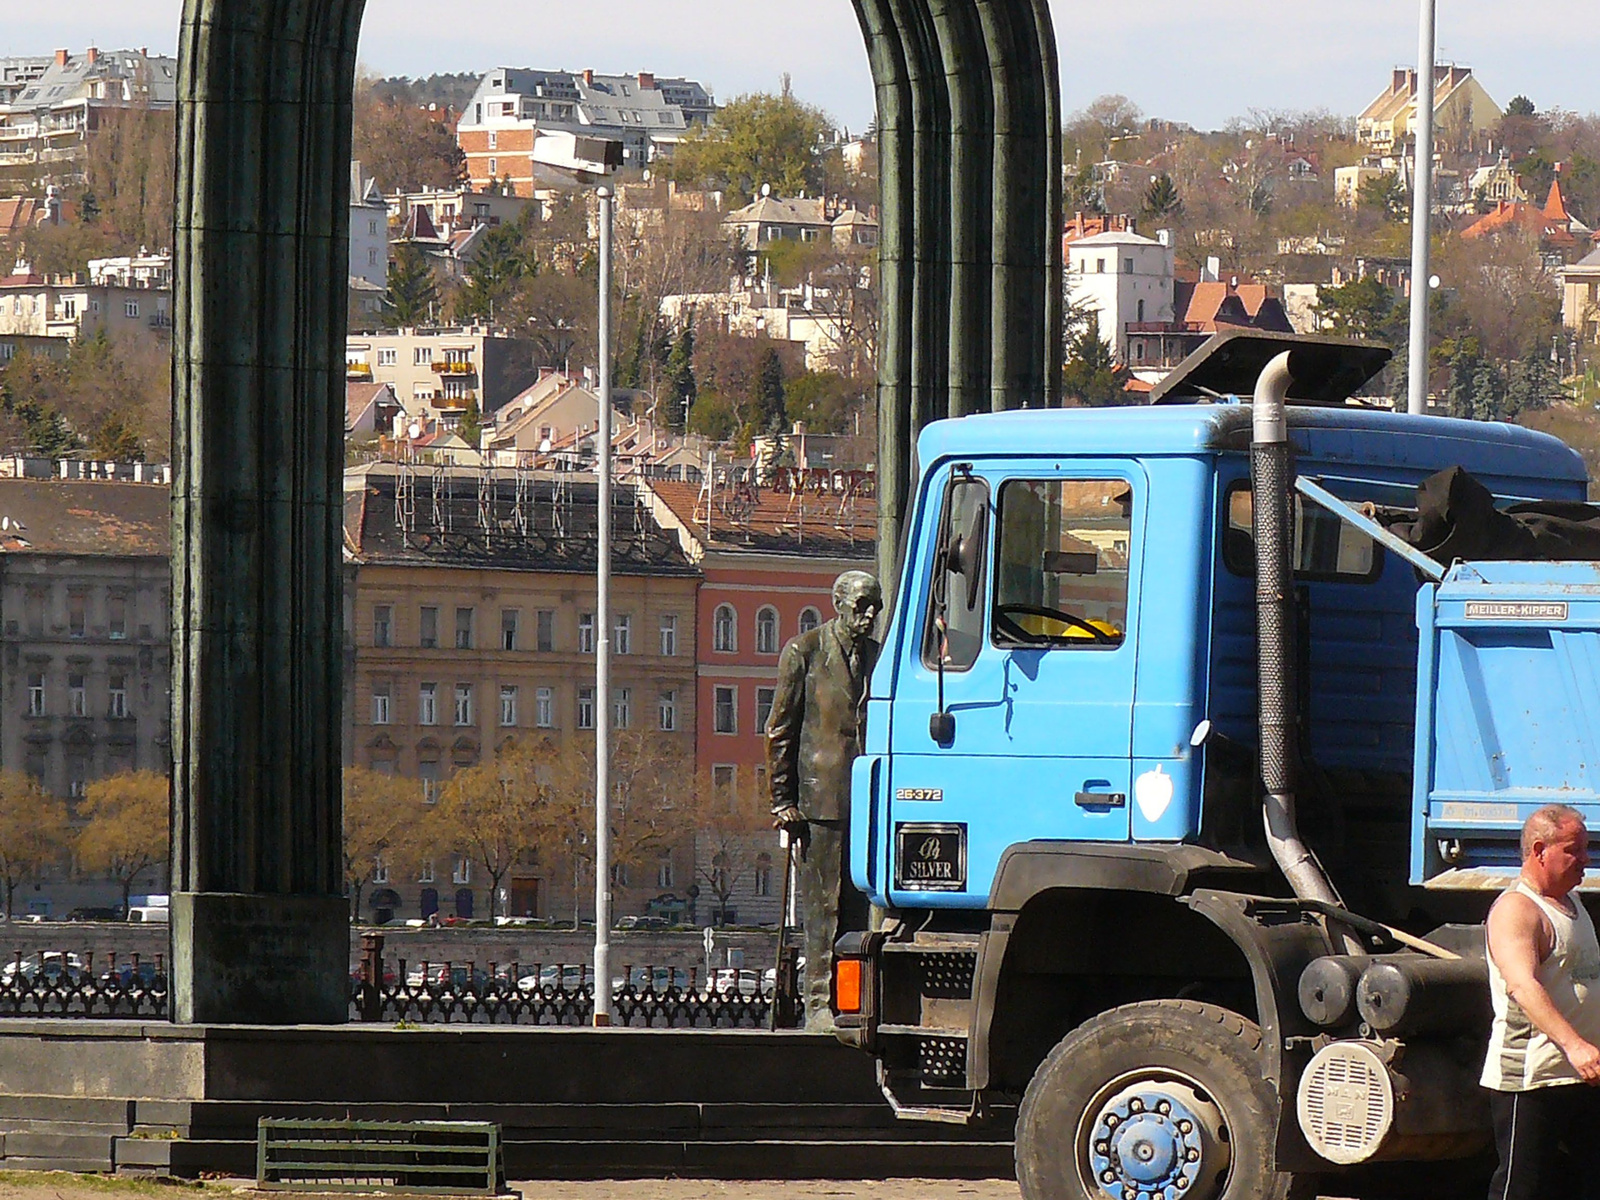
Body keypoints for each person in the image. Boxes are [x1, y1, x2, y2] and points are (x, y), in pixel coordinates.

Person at [766, 570, 883, 1031]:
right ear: (838, 604)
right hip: (820, 799)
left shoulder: (879, 657)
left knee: (858, 908)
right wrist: (782, 801)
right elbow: (780, 729)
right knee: (824, 907)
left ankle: (851, 1000)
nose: (870, 615)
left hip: (869, 798)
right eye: (861, 606)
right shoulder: (805, 651)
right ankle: (819, 1002)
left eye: (874, 605)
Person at [1482, 803, 1600, 1200]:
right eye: (1574, 850)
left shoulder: (1572, 902)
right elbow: (1522, 986)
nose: (1586, 859)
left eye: (1586, 848)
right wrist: (1574, 1045)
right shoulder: (1517, 910)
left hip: (1582, 1076)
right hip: (1532, 1079)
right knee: (1522, 1188)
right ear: (1539, 851)